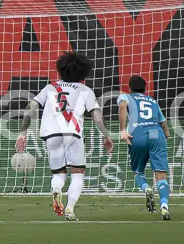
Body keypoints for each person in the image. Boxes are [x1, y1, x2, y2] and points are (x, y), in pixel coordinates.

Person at [16, 51, 114, 221]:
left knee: (59, 174)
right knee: (77, 174)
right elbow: (97, 116)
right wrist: (106, 135)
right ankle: (69, 208)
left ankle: (56, 190)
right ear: (83, 72)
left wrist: (23, 132)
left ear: (60, 70)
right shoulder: (85, 90)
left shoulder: (50, 88)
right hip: (73, 134)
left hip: (51, 134)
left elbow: (31, 106)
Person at [117, 76, 172, 220]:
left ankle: (147, 188)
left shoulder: (126, 96)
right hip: (156, 133)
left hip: (138, 135)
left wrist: (123, 130)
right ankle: (164, 206)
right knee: (161, 174)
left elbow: (122, 106)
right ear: (145, 88)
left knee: (138, 172)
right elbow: (164, 126)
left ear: (130, 88)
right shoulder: (153, 101)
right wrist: (165, 137)